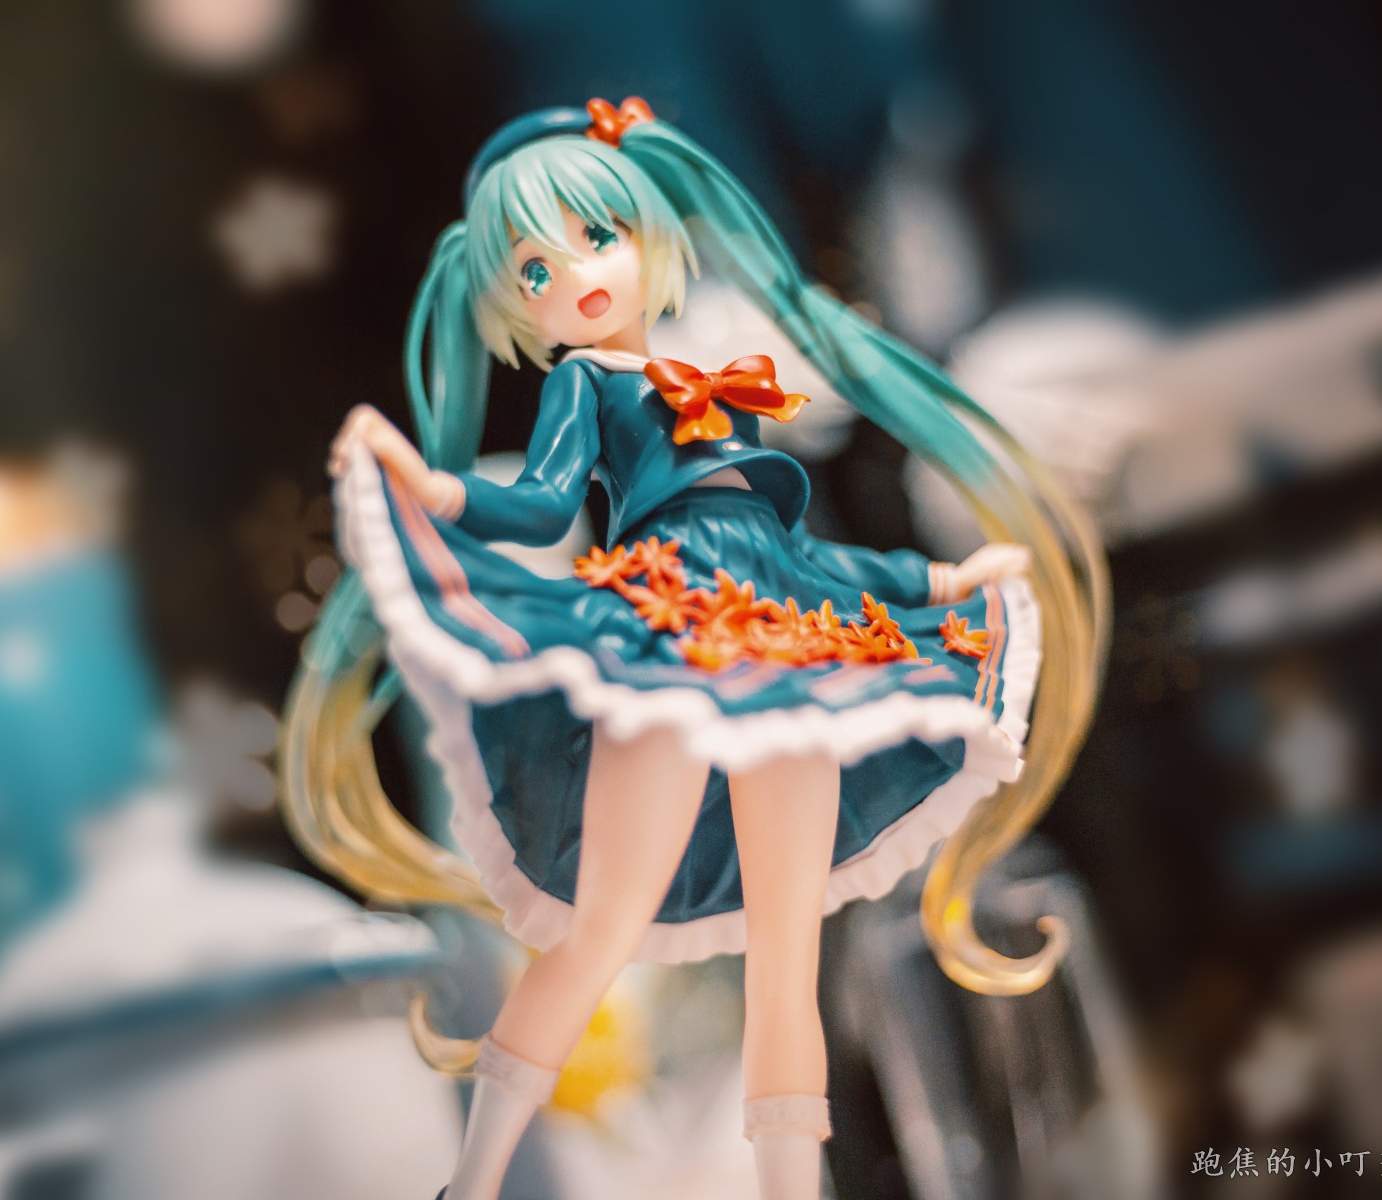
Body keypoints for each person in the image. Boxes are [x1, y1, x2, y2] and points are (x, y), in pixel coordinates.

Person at [325, 97, 1055, 1200]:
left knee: (786, 963)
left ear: (646, 232)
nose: (576, 277)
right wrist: (432, 486)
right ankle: (472, 1182)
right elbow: (539, 507)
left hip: (784, 648)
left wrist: (934, 582)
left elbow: (791, 555)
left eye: (595, 236)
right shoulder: (585, 383)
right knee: (600, 928)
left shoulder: (727, 393)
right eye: (535, 271)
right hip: (665, 640)